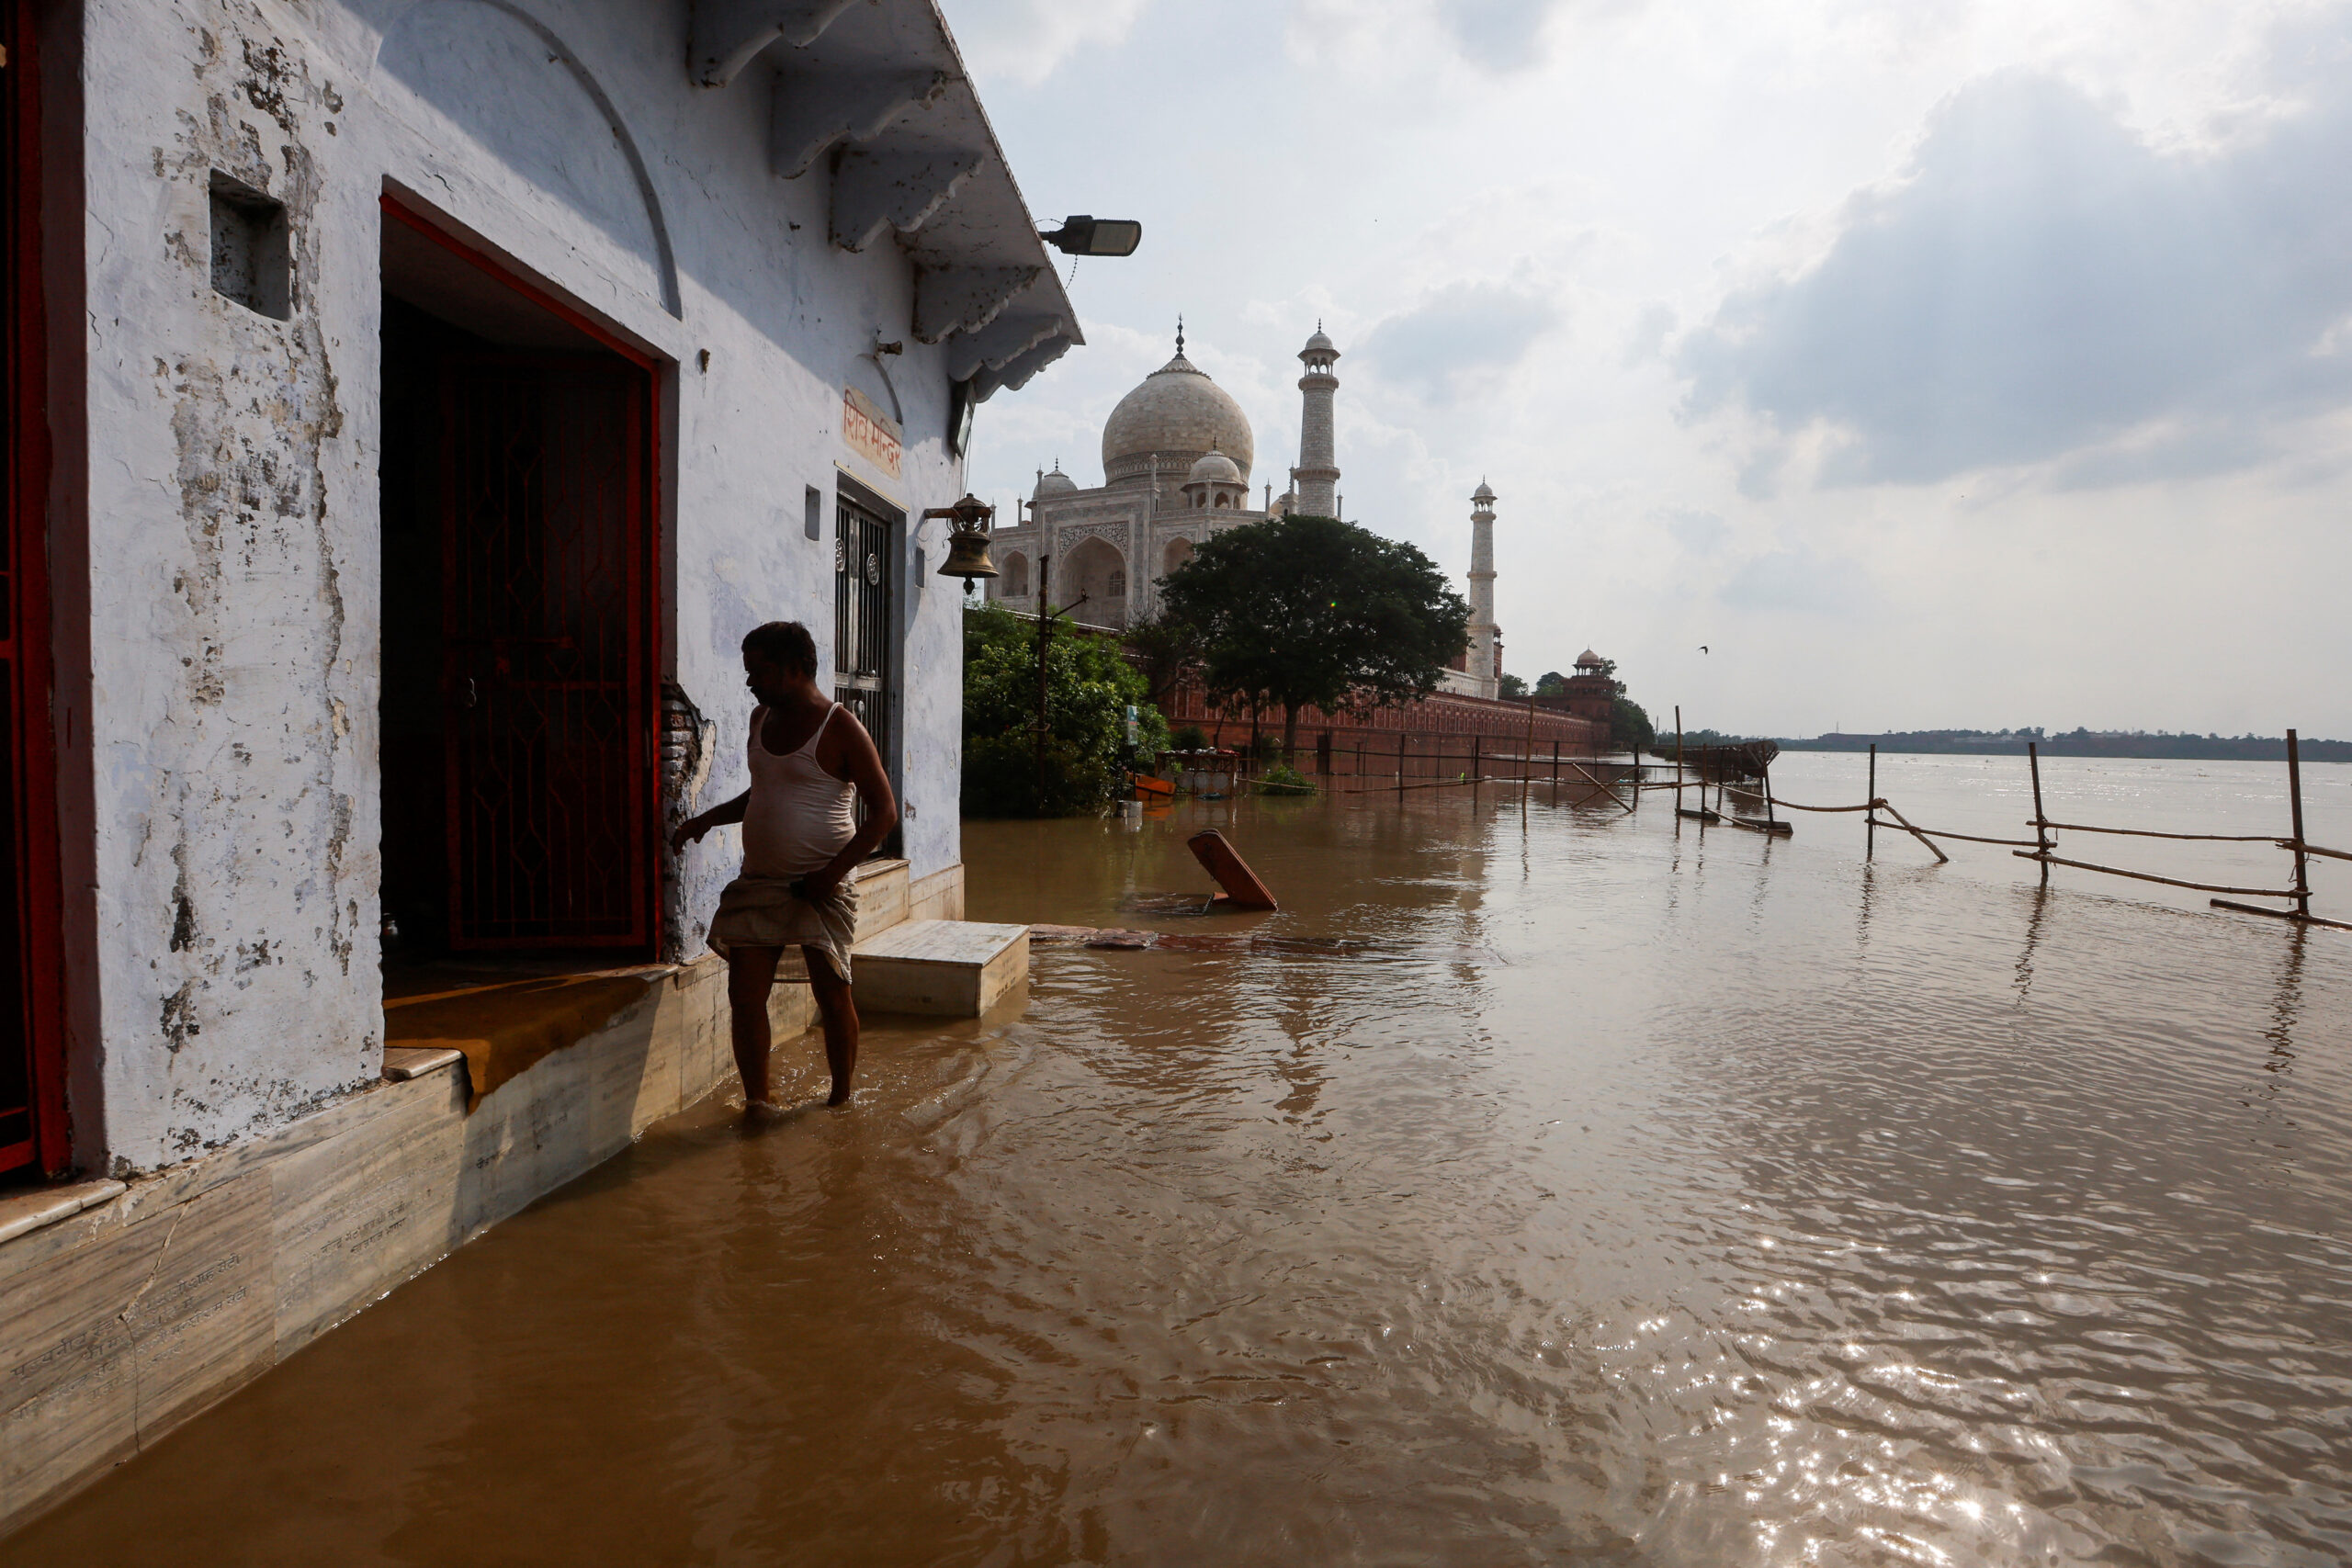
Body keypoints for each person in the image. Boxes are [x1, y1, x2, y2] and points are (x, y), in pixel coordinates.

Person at [672, 622, 897, 1110]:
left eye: (760, 672)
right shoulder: (760, 719)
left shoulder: (840, 727)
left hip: (822, 887)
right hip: (760, 882)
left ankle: (840, 1101)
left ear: (796, 669)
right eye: (749, 672)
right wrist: (708, 819)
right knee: (745, 997)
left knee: (832, 996)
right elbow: (765, 791)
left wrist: (830, 875)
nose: (750, 682)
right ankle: (760, 1103)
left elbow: (884, 815)